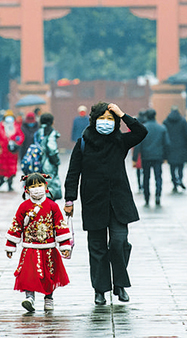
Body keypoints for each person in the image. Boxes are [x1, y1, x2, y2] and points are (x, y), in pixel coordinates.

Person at [63, 102, 147, 305]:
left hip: (118, 201)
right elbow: (73, 172)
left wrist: (122, 114)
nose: (106, 123)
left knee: (119, 243)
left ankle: (119, 284)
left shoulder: (120, 141)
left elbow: (141, 131)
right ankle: (100, 291)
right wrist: (69, 199)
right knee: (97, 248)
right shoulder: (83, 142)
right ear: (94, 120)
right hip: (94, 201)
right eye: (103, 118)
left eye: (110, 119)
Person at [6, 173, 72, 312]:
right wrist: (11, 245)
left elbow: (60, 225)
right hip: (30, 248)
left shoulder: (52, 206)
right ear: (27, 189)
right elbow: (16, 225)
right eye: (33, 186)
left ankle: (49, 298)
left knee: (49, 274)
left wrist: (64, 245)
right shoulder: (23, 207)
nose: (37, 189)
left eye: (40, 185)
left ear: (45, 186)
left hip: (48, 248)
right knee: (28, 274)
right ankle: (29, 298)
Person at [133, 109, 170, 206]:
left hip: (146, 157)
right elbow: (167, 144)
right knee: (158, 176)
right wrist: (165, 157)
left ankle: (147, 197)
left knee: (146, 177)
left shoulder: (143, 128)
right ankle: (158, 194)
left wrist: (135, 158)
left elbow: (138, 145)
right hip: (158, 156)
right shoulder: (162, 128)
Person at [0, 110, 24, 191]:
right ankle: (1, 179)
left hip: (12, 152)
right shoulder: (0, 127)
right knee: (0, 167)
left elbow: (21, 136)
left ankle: (10, 184)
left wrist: (17, 143)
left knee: (12, 169)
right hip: (2, 151)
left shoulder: (16, 127)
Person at [35, 113, 62, 200]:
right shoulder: (51, 132)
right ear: (52, 122)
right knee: (49, 187)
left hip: (37, 163)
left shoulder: (38, 132)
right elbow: (52, 148)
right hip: (48, 164)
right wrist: (56, 161)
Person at [163, 106, 187, 193]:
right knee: (180, 166)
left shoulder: (166, 122)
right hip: (181, 147)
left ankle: (174, 182)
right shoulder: (183, 121)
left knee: (172, 166)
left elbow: (164, 135)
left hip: (170, 147)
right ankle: (180, 179)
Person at [131, 110, 147, 193]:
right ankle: (144, 184)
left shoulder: (135, 123)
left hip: (137, 147)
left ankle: (139, 185)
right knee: (145, 169)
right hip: (146, 149)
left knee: (138, 168)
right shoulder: (147, 124)